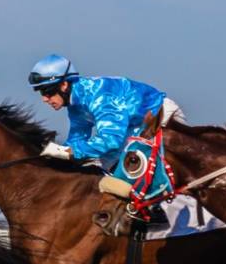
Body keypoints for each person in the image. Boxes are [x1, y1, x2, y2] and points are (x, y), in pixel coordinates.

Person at [27, 54, 183, 198]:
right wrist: (56, 154)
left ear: (64, 85)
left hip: (161, 117)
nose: (44, 99)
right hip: (132, 128)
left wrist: (67, 152)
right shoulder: (75, 106)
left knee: (132, 170)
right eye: (41, 93)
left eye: (47, 92)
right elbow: (77, 139)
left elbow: (110, 140)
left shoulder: (100, 96)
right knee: (100, 167)